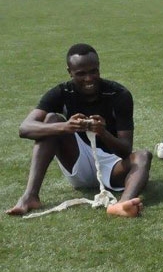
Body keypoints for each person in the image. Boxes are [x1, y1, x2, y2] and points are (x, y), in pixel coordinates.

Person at [7, 43, 150, 218]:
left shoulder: (119, 94)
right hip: (77, 160)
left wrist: (102, 132)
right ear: (70, 72)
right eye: (81, 74)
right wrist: (65, 126)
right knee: (52, 119)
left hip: (112, 165)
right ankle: (30, 196)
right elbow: (24, 128)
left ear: (99, 68)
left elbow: (126, 150)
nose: (89, 79)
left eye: (93, 71)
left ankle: (122, 205)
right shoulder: (62, 92)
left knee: (143, 156)